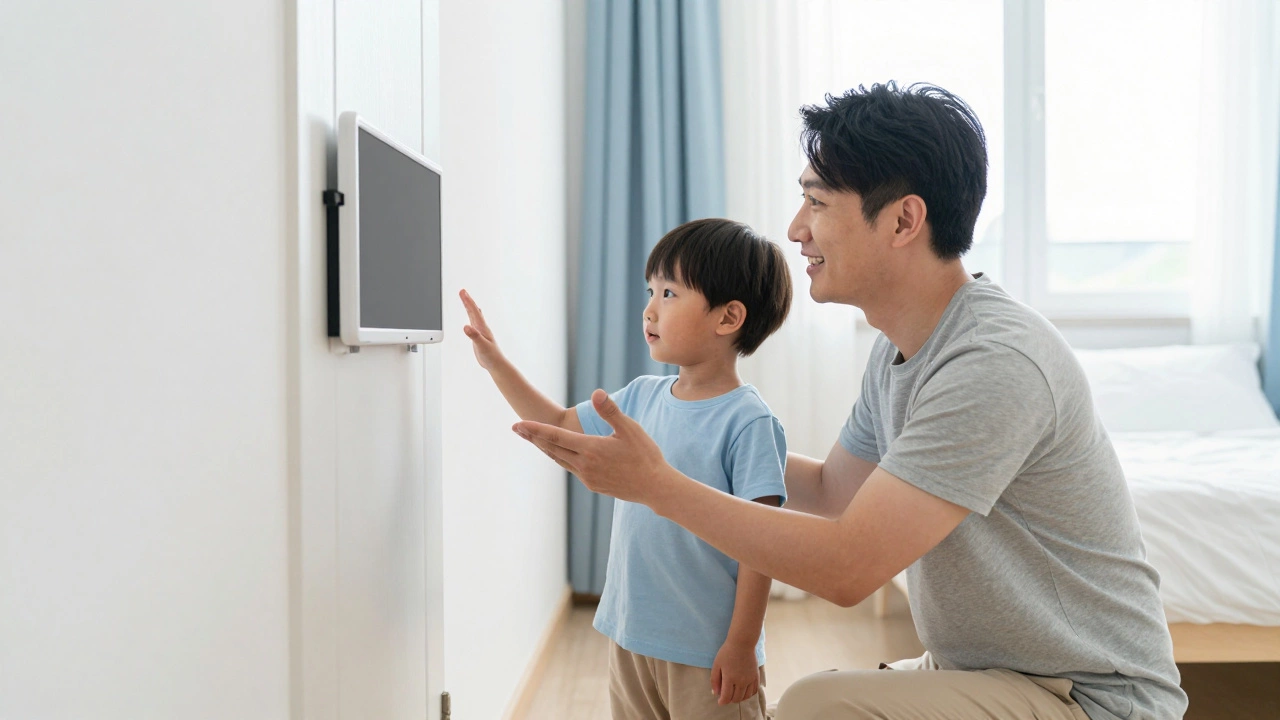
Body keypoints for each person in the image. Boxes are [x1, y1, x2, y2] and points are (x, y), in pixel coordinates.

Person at [513, 83, 1188, 720]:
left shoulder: (993, 361)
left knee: (816, 709)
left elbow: (845, 568)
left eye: (817, 203)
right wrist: (697, 441)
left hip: (1090, 697)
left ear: (903, 220)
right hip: (989, 674)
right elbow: (836, 491)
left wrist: (658, 486)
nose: (795, 229)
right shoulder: (898, 346)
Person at [461, 217, 794, 719]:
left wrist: (742, 645)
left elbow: (764, 547)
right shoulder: (640, 396)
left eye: (669, 293)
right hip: (632, 635)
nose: (650, 308)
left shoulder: (749, 421)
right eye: (650, 290)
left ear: (728, 319)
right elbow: (557, 422)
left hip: (709, 655)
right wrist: (495, 363)